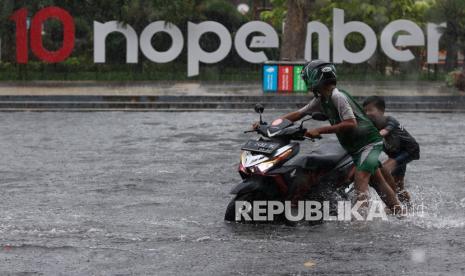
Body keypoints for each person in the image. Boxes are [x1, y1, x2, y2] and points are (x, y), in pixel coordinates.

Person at [255, 60, 402, 215]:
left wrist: (320, 130)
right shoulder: (321, 100)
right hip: (355, 147)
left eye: (306, 79)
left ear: (315, 78)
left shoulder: (338, 97)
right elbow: (298, 114)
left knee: (361, 179)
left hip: (369, 143)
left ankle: (360, 226)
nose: (305, 83)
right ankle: (401, 214)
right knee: (378, 183)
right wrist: (270, 125)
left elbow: (350, 123)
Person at [363, 96, 420, 205]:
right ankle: (408, 206)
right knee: (399, 185)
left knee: (383, 169)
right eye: (365, 111)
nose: (367, 113)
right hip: (395, 154)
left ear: (381, 111)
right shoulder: (372, 125)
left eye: (370, 110)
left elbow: (385, 132)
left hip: (409, 150)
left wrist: (374, 136)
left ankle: (393, 201)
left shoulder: (390, 120)